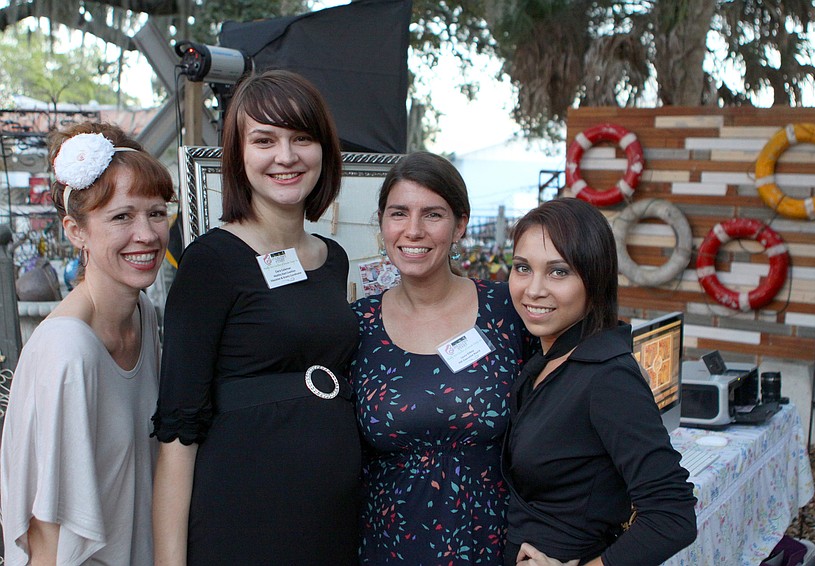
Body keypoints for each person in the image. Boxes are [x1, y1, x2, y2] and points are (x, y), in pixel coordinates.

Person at [151, 69, 360, 564]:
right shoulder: (210, 262)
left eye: (301, 139)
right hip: (243, 520)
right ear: (239, 155)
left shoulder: (333, 260)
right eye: (265, 140)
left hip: (331, 522)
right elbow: (178, 435)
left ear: (324, 151)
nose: (285, 157)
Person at [0, 121, 174, 564]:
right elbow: (46, 536)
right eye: (122, 216)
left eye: (156, 212)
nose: (148, 234)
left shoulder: (144, 315)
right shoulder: (68, 351)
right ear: (76, 231)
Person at [350, 152, 533, 564]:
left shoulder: (507, 310)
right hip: (388, 547)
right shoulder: (356, 326)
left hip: (497, 544)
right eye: (399, 213)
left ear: (460, 225)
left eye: (432, 215)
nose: (413, 230)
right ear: (382, 222)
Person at [503, 197, 697, 566]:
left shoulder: (608, 377)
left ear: (594, 278)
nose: (534, 289)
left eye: (558, 271)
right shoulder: (552, 354)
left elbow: (673, 515)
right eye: (522, 268)